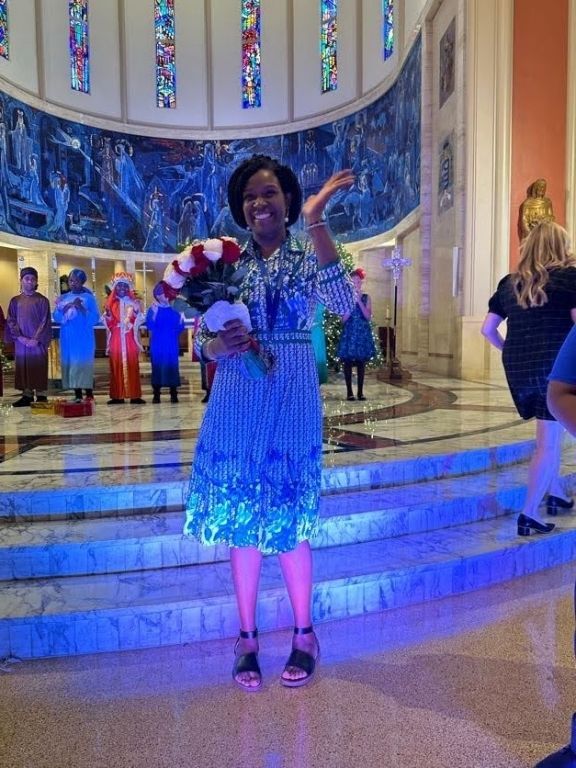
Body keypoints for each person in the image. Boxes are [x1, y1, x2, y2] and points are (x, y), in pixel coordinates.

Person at [184, 155, 355, 691]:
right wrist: (218, 344)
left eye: (270, 193)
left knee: (290, 516)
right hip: (236, 395)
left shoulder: (307, 253)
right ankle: (247, 639)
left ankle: (305, 633)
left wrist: (317, 220)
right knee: (241, 519)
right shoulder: (225, 264)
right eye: (250, 196)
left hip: (292, 393)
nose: (259, 203)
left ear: (288, 200)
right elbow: (200, 342)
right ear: (241, 208)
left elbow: (344, 303)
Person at [481, 221, 576, 536]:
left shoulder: (509, 283)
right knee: (547, 444)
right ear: (561, 246)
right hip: (557, 370)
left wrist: (510, 350)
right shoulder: (570, 278)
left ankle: (557, 493)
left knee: (551, 433)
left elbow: (487, 329)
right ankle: (529, 513)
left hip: (521, 370)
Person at [4, 266, 52, 407]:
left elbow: (45, 321)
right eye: (27, 278)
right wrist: (20, 338)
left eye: (33, 279)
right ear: (21, 280)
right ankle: (27, 396)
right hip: (21, 342)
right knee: (24, 367)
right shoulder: (15, 301)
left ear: (36, 281)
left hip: (38, 342)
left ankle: (41, 396)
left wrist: (35, 339)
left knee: (38, 366)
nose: (30, 281)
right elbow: (11, 320)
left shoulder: (42, 300)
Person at [53, 268, 100, 402]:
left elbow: (95, 317)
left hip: (83, 337)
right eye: (71, 280)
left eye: (77, 281)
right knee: (72, 363)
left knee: (83, 363)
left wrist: (82, 308)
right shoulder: (64, 298)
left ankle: (89, 394)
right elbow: (57, 316)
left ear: (82, 282)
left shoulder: (89, 298)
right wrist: (64, 309)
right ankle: (77, 394)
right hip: (68, 336)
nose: (73, 283)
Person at [102, 272, 146, 404]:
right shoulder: (110, 303)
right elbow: (108, 322)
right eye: (119, 285)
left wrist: (135, 315)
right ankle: (117, 396)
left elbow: (140, 319)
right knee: (116, 364)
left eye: (125, 285)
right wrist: (108, 316)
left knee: (132, 364)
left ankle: (135, 395)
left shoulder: (134, 302)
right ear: (115, 287)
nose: (122, 288)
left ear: (129, 287)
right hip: (116, 336)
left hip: (129, 336)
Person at [337, 267, 376, 400]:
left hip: (361, 334)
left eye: (358, 282)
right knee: (347, 362)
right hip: (349, 334)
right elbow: (343, 320)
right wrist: (351, 303)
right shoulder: (345, 298)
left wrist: (359, 301)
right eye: (354, 282)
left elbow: (368, 316)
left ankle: (360, 392)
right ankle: (349, 392)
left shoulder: (366, 297)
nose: (356, 284)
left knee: (361, 363)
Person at [145, 282, 184, 404]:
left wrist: (181, 318)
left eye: (167, 293)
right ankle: (156, 394)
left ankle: (174, 393)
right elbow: (150, 326)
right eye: (163, 294)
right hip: (158, 343)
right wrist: (155, 314)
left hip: (171, 342)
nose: (166, 296)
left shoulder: (175, 309)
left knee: (173, 367)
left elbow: (180, 327)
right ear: (157, 295)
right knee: (157, 367)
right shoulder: (153, 309)